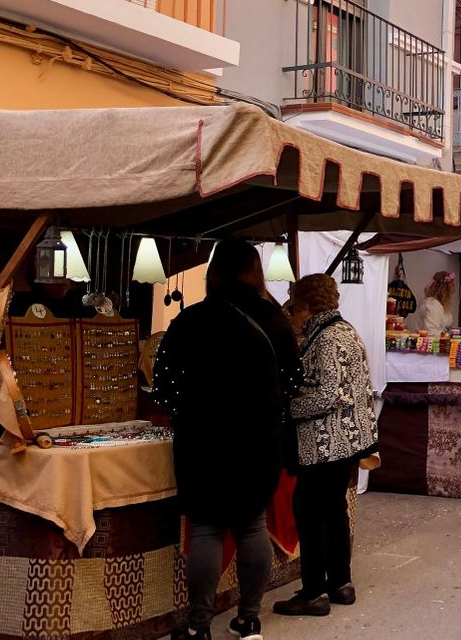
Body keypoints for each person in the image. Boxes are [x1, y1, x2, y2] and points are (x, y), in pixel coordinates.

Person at [154, 240, 300, 640]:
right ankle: (249, 619)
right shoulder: (274, 320)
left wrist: (195, 407)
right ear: (255, 272)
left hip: (203, 440)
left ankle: (198, 626)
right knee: (252, 526)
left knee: (206, 529)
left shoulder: (190, 321)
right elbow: (294, 382)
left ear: (213, 272)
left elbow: (163, 387)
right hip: (259, 440)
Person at [274, 274, 378, 618]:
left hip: (325, 442)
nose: (292, 316)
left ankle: (314, 590)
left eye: (293, 308)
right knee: (333, 509)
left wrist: (286, 407)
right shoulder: (344, 331)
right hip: (345, 439)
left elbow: (326, 394)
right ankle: (340, 584)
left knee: (311, 511)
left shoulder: (328, 338)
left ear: (306, 306)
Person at [415, 270, 456, 336]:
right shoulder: (432, 304)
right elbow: (430, 332)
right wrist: (448, 335)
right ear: (445, 288)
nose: (454, 289)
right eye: (452, 285)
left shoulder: (441, 305)